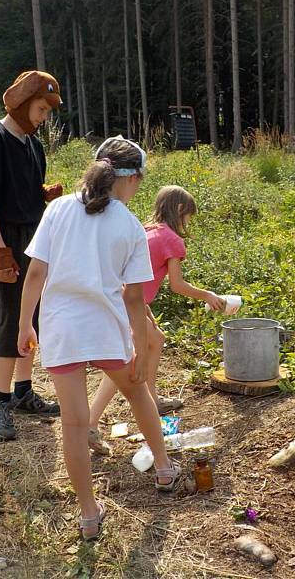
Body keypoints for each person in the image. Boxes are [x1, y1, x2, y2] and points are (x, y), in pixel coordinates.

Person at [17, 136, 183, 541]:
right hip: (106, 330)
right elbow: (133, 296)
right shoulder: (127, 224)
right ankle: (163, 469)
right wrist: (142, 349)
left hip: (62, 329)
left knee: (73, 425)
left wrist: (24, 324)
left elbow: (36, 273)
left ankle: (89, 515)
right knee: (138, 393)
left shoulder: (57, 209)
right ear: (131, 179)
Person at [86, 185, 225, 455]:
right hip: (126, 304)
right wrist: (208, 294)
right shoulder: (172, 239)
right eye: (189, 216)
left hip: (119, 298)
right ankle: (91, 423)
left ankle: (151, 399)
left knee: (156, 340)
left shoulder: (147, 230)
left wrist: (145, 310)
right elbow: (177, 285)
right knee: (124, 363)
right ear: (181, 210)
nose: (188, 222)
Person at [0, 70, 65, 441]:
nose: (44, 117)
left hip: (36, 239)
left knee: (34, 317)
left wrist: (42, 194)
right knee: (11, 319)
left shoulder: (34, 145)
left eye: (47, 111)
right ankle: (1, 402)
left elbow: (25, 187)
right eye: (41, 109)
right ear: (24, 102)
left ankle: (24, 391)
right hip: (9, 242)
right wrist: (0, 249)